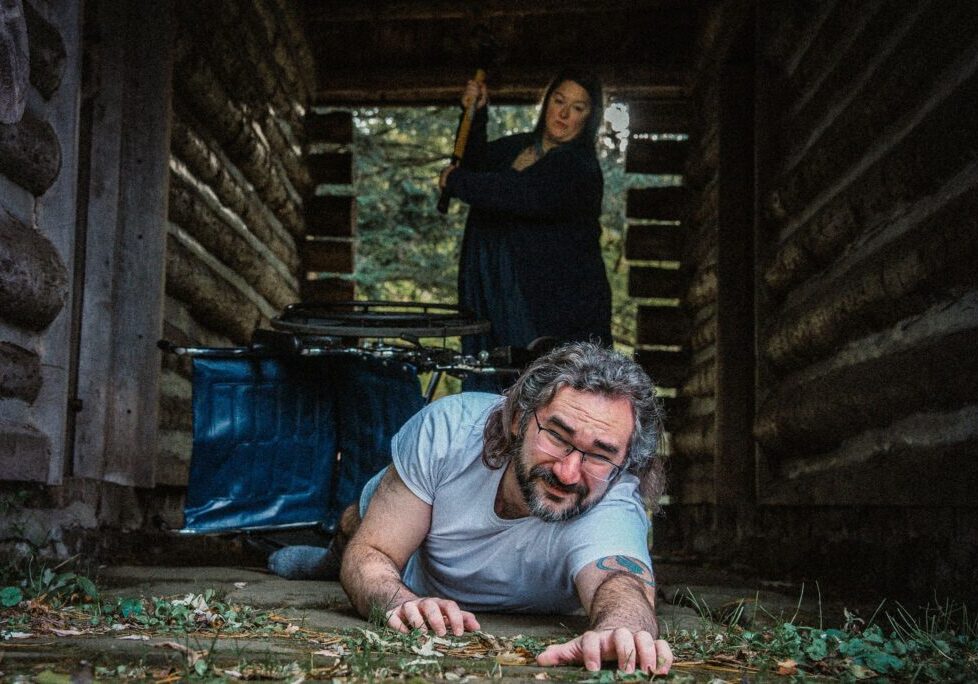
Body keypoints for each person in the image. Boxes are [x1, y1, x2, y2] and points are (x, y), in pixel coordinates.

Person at [324, 342, 671, 674]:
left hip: (448, 576)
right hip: (414, 560)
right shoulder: (451, 431)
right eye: (557, 437)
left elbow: (622, 584)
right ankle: (326, 555)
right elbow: (373, 551)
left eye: (599, 454)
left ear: (625, 461)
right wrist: (399, 602)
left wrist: (619, 632)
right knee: (359, 526)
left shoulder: (616, 497)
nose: (568, 473)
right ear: (519, 417)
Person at [439, 70, 613, 390]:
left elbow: (518, 193)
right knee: (489, 384)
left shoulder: (579, 168)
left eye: (577, 108)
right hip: (491, 290)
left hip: (543, 304)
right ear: (547, 102)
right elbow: (475, 164)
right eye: (559, 101)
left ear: (589, 118)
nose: (563, 114)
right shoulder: (517, 147)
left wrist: (455, 182)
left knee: (539, 391)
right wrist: (475, 112)